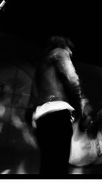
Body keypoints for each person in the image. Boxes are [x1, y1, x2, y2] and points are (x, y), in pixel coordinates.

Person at [27, 36, 84, 174]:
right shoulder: (60, 52)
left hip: (41, 117)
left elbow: (32, 98)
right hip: (58, 114)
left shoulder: (40, 66)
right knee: (59, 167)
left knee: (47, 167)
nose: (70, 54)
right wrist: (78, 107)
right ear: (65, 46)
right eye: (69, 51)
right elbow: (73, 79)